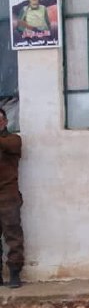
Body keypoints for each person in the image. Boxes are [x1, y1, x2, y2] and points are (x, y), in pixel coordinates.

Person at [0, 108, 24, 288]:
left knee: (13, 236)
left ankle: (15, 274)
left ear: (5, 121)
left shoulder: (13, 140)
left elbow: (10, 147)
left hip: (8, 196)